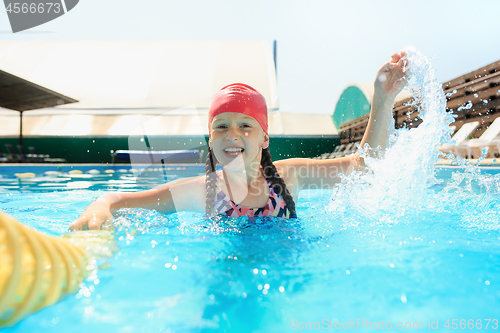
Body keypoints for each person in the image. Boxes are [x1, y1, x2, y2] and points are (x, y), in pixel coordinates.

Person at [69, 51, 408, 230]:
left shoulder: (292, 176)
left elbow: (363, 169)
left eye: (245, 125)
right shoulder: (200, 191)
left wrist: (381, 100)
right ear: (211, 138)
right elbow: (116, 199)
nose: (232, 136)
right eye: (221, 127)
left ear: (264, 138)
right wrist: (99, 209)